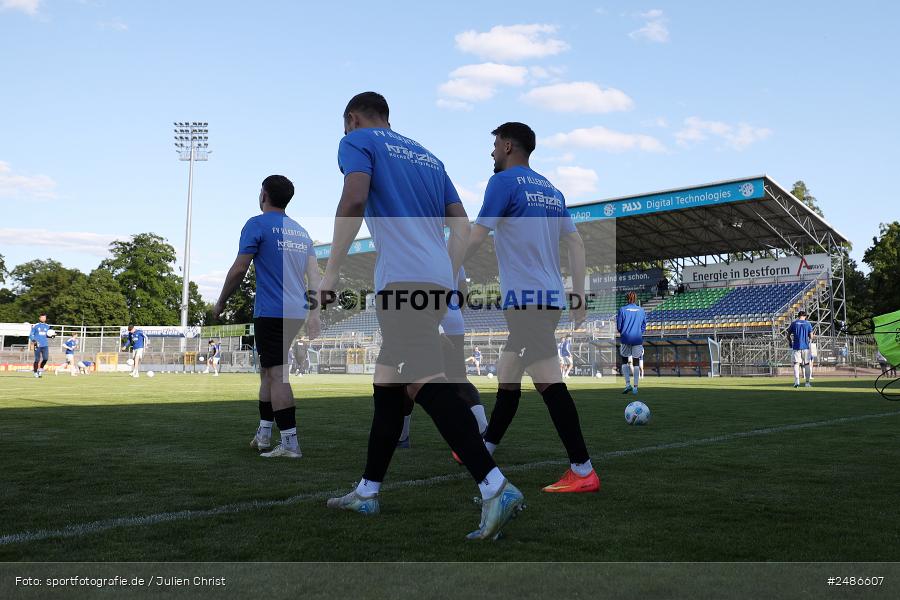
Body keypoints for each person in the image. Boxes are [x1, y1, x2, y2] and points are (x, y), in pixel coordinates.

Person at [320, 92, 522, 540]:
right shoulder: (429, 157)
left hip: (401, 281)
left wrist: (331, 270)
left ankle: (495, 486)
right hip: (433, 279)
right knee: (388, 387)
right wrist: (448, 272)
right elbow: (462, 226)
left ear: (351, 118)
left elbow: (353, 200)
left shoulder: (358, 140)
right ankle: (368, 491)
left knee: (424, 382)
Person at [465, 121, 599, 494]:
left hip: (527, 301)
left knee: (549, 382)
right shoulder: (552, 191)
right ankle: (484, 447)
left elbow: (478, 233)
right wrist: (578, 297)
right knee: (508, 372)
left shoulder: (503, 182)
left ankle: (583, 469)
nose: (491, 152)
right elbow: (576, 245)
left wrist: (446, 268)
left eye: (494, 145)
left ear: (508, 146)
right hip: (548, 298)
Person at [213, 175, 321, 458]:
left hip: (272, 312)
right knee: (268, 372)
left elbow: (239, 269)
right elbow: (315, 276)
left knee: (277, 374)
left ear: (263, 195)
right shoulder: (301, 232)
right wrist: (315, 313)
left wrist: (221, 301)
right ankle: (263, 435)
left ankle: (289, 444)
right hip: (295, 311)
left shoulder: (257, 224)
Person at [617, 292, 647, 395]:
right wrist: (638, 333)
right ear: (635, 299)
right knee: (636, 362)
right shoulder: (641, 310)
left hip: (625, 338)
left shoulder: (622, 309)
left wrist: (624, 333)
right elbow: (644, 325)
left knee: (625, 361)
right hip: (637, 339)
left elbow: (619, 326)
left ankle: (627, 384)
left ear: (627, 299)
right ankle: (635, 387)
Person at [786, 310, 814, 388]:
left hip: (796, 346)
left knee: (796, 364)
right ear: (805, 316)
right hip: (805, 347)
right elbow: (811, 336)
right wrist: (809, 339)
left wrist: (790, 342)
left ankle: (796, 381)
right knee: (807, 364)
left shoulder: (794, 323)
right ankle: (807, 383)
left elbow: (788, 335)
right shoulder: (808, 323)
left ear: (798, 316)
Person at [29, 314, 51, 378]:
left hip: (45, 345)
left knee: (45, 358)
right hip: (37, 345)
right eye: (43, 317)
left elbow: (48, 335)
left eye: (45, 317)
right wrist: (33, 340)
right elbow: (31, 335)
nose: (44, 319)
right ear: (40, 318)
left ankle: (40, 370)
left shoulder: (47, 326)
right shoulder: (35, 326)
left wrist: (52, 335)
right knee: (37, 359)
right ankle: (35, 372)